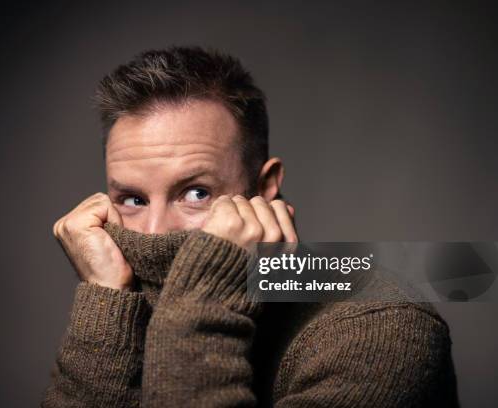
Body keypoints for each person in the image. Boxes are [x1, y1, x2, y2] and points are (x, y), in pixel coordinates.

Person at [41, 46, 458, 407]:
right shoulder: (125, 300)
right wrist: (105, 303)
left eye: (196, 193)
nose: (153, 232)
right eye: (133, 200)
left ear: (265, 187)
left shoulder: (381, 325)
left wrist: (201, 305)